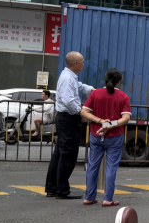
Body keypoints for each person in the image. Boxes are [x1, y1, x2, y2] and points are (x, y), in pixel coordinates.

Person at [45, 51, 93, 199]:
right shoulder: (67, 78)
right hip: (68, 119)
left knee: (59, 154)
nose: (84, 65)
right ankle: (62, 190)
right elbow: (68, 101)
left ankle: (52, 187)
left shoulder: (69, 76)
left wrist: (93, 91)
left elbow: (79, 86)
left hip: (65, 119)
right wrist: (81, 112)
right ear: (76, 63)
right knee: (68, 155)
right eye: (83, 62)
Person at [81, 68, 131, 207]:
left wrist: (100, 121)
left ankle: (89, 197)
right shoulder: (123, 96)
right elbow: (126, 118)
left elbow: (84, 112)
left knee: (92, 166)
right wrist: (110, 124)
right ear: (119, 82)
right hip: (115, 135)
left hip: (96, 134)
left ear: (105, 79)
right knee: (111, 167)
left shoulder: (95, 94)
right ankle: (108, 199)